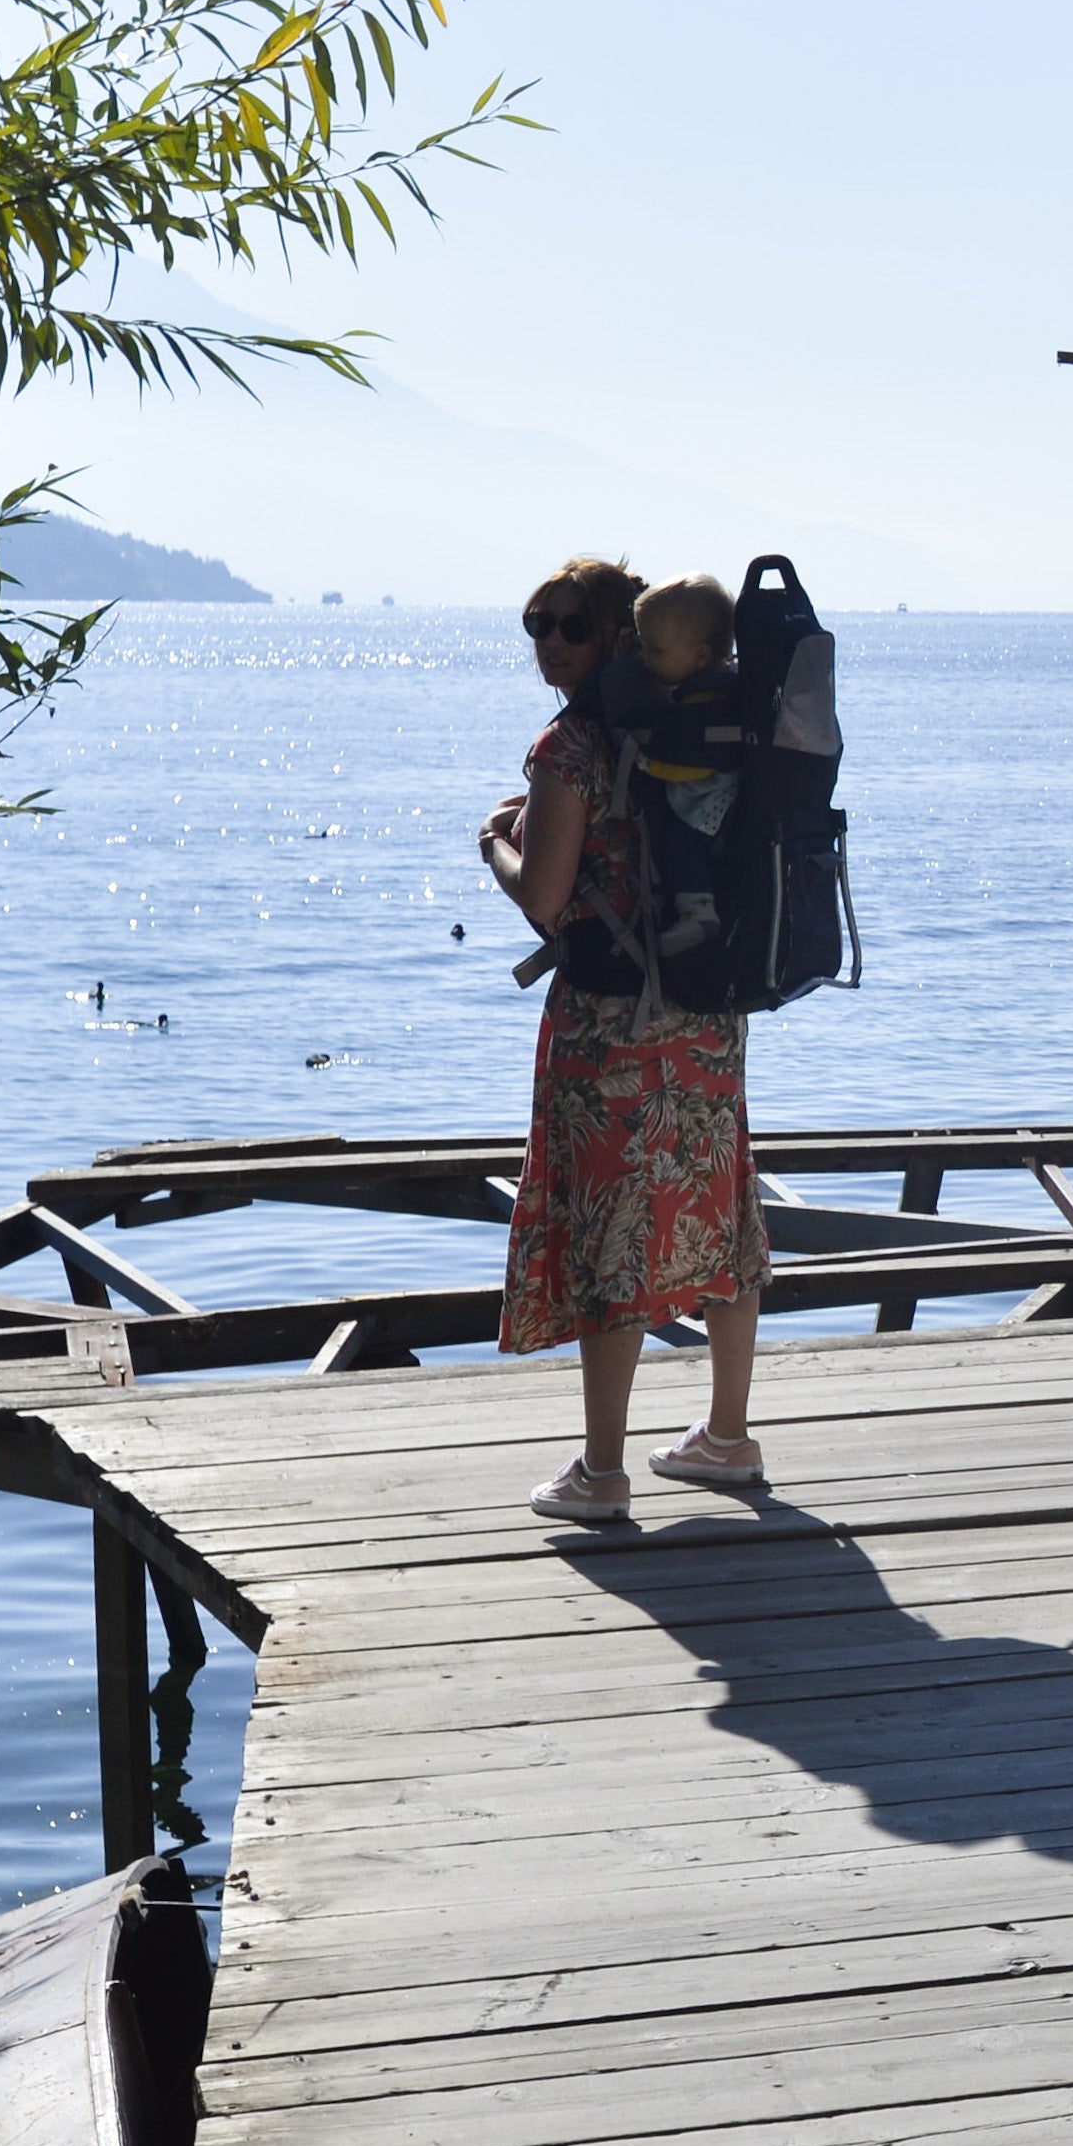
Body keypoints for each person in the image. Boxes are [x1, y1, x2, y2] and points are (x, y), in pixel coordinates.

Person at [478, 557, 767, 1522]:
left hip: (610, 1029)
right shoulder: (703, 726)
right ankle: (726, 1436)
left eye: (566, 625)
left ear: (614, 637)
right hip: (704, 1016)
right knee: (717, 1211)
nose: (546, 644)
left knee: (612, 1229)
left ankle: (602, 1472)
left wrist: (494, 847)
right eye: (535, 624)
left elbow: (545, 902)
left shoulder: (568, 751)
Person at [609, 569, 744, 968]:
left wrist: (648, 764)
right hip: (714, 795)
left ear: (701, 656)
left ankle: (699, 915)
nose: (645, 660)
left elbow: (692, 766)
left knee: (685, 846)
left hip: (709, 799)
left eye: (655, 651)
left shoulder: (707, 704)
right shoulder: (717, 690)